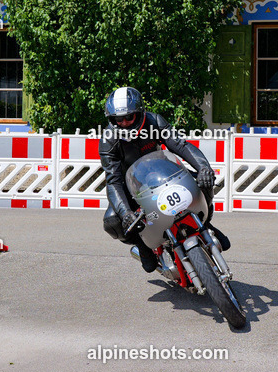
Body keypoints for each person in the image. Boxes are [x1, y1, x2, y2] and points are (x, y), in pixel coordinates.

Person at [99, 86, 230, 272]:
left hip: (161, 173)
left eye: (129, 117)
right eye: (118, 119)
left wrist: (203, 167)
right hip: (132, 186)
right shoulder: (108, 140)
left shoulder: (154, 121)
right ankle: (144, 248)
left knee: (202, 181)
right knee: (112, 220)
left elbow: (180, 145)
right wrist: (126, 213)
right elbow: (112, 181)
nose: (125, 123)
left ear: (140, 113)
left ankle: (205, 224)